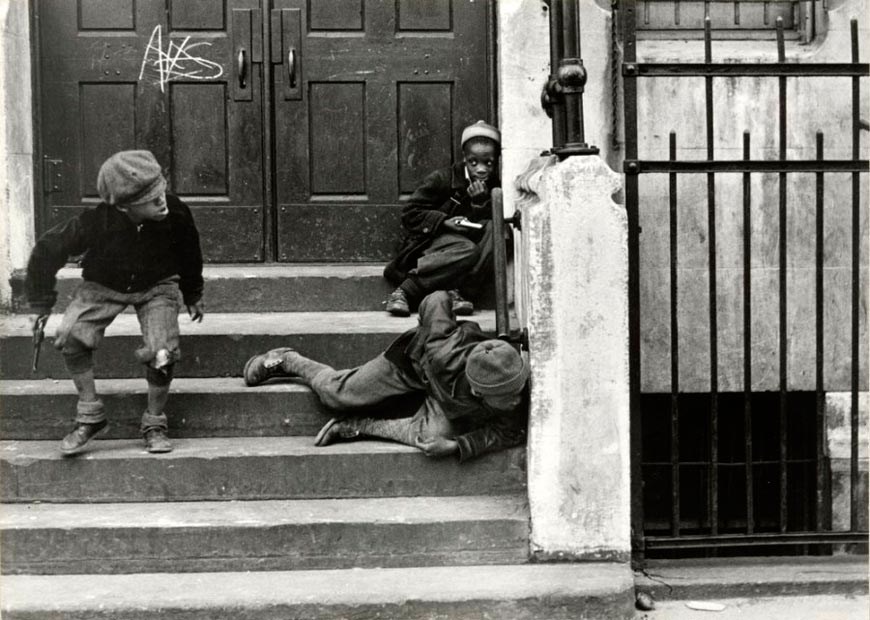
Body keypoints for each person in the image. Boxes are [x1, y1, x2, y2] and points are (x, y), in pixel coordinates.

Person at [25, 150, 204, 455]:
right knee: (70, 335)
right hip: (104, 285)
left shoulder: (175, 211)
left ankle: (154, 422)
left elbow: (189, 251)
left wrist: (193, 293)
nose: (162, 200)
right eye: (151, 199)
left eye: (160, 190)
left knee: (162, 352)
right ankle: (90, 415)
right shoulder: (96, 221)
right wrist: (42, 303)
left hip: (157, 285)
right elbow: (46, 249)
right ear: (124, 206)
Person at [243, 290, 528, 461]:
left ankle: (359, 426)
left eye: (518, 388)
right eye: (508, 396)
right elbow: (435, 299)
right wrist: (443, 311)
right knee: (336, 394)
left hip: (443, 400)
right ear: (480, 392)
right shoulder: (444, 352)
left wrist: (457, 446)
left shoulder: (513, 384)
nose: (518, 399)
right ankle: (287, 360)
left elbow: (509, 432)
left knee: (431, 439)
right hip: (412, 366)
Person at [382, 120, 502, 317]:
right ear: (464, 158)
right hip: (434, 243)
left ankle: (459, 293)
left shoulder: (494, 185)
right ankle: (405, 291)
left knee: (497, 229)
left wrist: (480, 204)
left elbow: (485, 228)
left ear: (496, 160)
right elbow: (410, 213)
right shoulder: (443, 179)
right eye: (474, 162)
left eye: (488, 163)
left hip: (463, 247)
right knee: (467, 249)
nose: (481, 169)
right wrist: (444, 221)